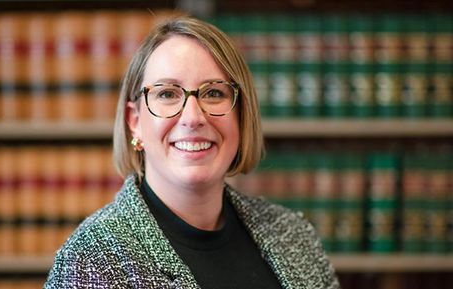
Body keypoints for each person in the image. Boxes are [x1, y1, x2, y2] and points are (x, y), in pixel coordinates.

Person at [44, 16, 339, 289]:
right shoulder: (91, 260)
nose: (193, 117)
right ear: (135, 123)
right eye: (167, 94)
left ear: (241, 115)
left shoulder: (293, 235)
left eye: (214, 93)